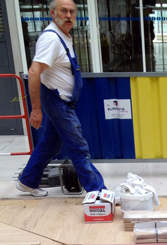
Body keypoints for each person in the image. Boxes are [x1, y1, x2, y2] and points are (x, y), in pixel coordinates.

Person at [17, 0, 105, 197]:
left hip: (63, 101)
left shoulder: (63, 36)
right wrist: (36, 109)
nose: (68, 15)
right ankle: (99, 193)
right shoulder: (51, 39)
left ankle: (27, 180)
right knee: (78, 147)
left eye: (72, 11)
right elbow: (33, 72)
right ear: (52, 13)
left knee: (51, 143)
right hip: (56, 101)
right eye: (63, 11)